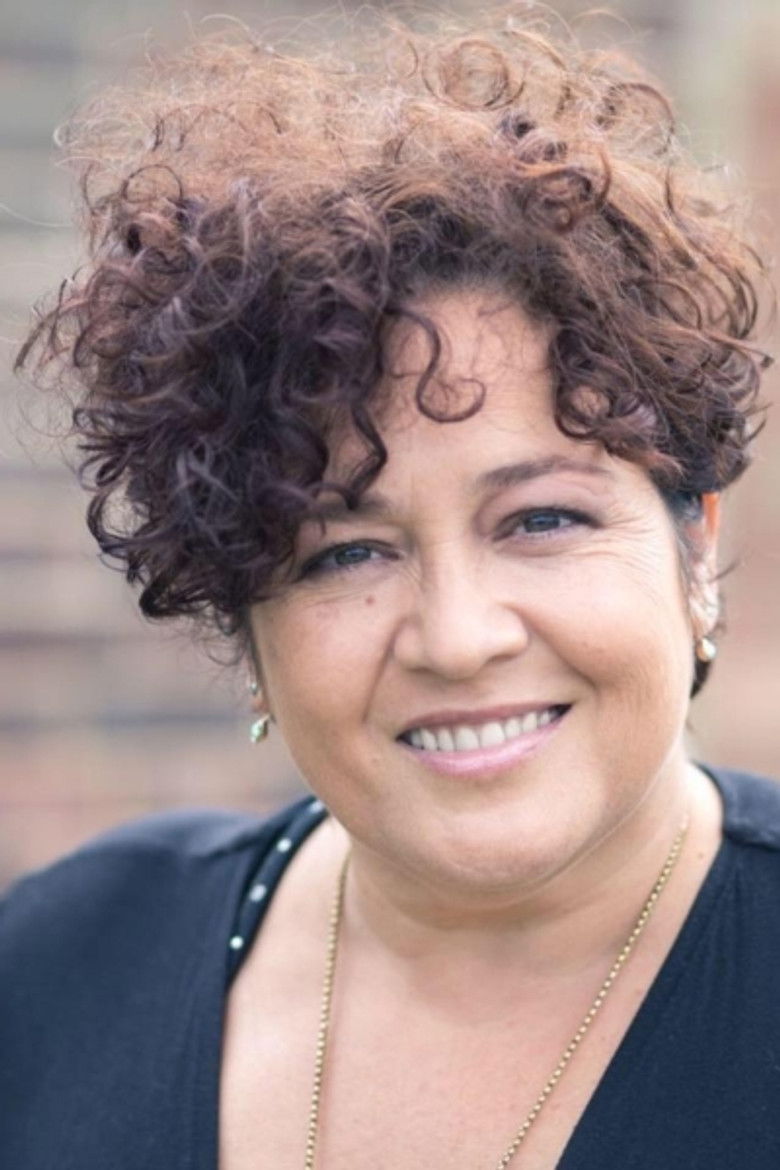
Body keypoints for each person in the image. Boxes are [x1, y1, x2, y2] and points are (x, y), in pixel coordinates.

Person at [2, 6, 777, 1168]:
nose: (457, 639)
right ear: (245, 621)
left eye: (543, 519)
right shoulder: (64, 966)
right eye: (345, 553)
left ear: (694, 552)